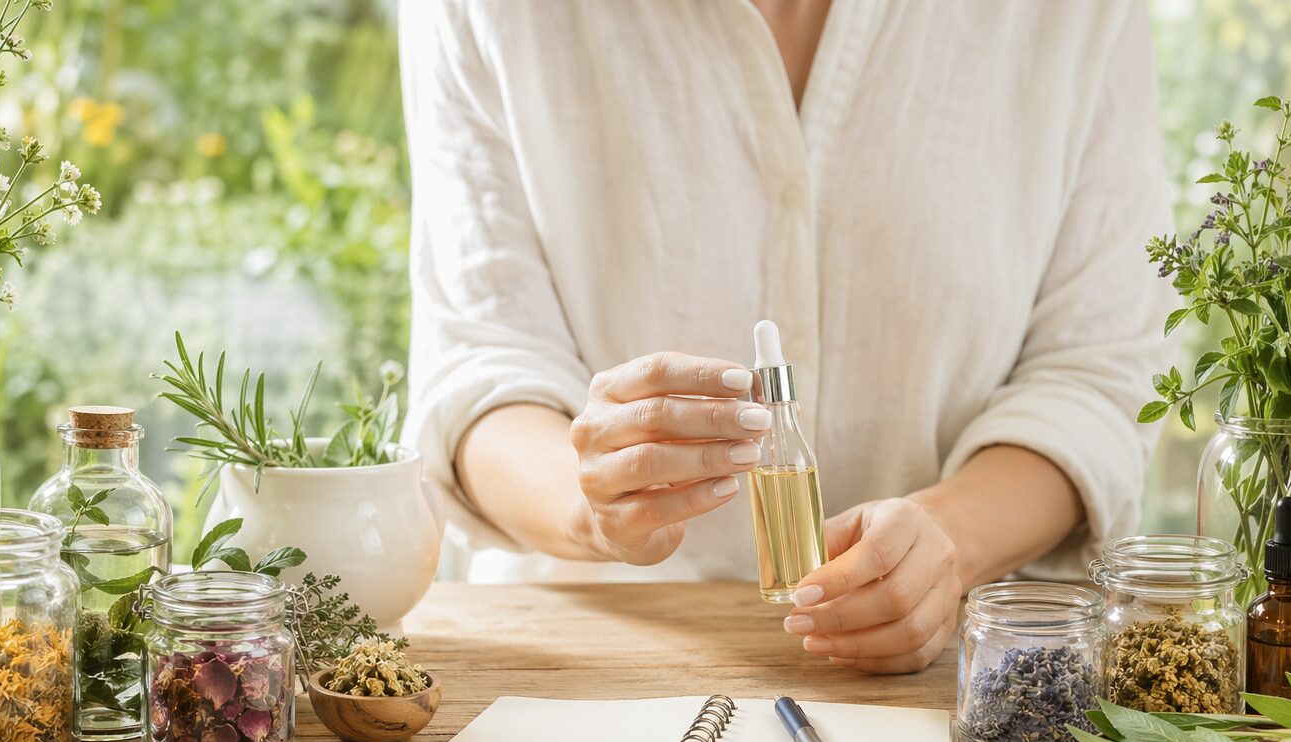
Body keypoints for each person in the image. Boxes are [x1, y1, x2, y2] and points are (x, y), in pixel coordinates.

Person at [398, 0, 1172, 674]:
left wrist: (947, 542)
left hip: (966, 674)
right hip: (590, 659)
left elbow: (1097, 373)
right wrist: (591, 500)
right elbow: (479, 358)